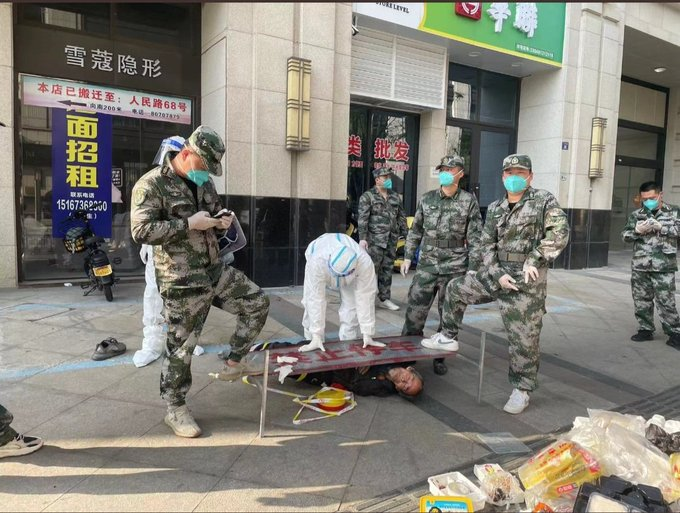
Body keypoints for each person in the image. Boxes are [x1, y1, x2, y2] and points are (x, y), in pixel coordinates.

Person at [130, 126, 270, 438]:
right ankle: (175, 407)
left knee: (257, 302)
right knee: (182, 347)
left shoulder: (203, 182)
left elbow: (213, 215)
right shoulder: (151, 185)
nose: (206, 173)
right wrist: (187, 224)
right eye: (204, 165)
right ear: (186, 153)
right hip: (181, 278)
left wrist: (221, 221)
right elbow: (140, 231)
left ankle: (234, 361)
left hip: (213, 268)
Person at [431, 154, 569, 414]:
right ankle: (448, 336)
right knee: (456, 288)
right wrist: (496, 274)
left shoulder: (543, 200)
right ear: (503, 176)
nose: (514, 178)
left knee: (524, 339)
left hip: (526, 280)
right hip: (498, 274)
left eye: (520, 173)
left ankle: (522, 389)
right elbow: (486, 244)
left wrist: (535, 258)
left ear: (530, 176)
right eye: (510, 173)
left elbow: (559, 232)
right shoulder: (496, 207)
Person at [400, 155, 483, 376]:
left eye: (449, 169)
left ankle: (439, 357)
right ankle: (408, 354)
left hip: (455, 265)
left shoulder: (468, 201)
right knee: (414, 313)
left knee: (448, 315)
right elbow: (416, 230)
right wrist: (407, 256)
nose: (445, 173)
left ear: (460, 173)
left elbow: (475, 237)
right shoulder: (427, 198)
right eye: (442, 169)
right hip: (427, 264)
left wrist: (473, 267)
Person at [299, 232, 385, 352]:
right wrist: (316, 334)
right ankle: (312, 340)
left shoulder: (364, 263)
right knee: (310, 305)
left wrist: (367, 332)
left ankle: (348, 343)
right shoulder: (317, 261)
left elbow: (366, 297)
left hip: (353, 273)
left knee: (352, 307)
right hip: (320, 265)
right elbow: (315, 299)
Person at [621, 181, 680, 350]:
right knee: (641, 299)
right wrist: (636, 231)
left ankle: (674, 332)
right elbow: (624, 235)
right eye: (645, 199)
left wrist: (662, 228)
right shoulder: (636, 214)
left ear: (660, 195)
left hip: (664, 265)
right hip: (640, 265)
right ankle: (645, 329)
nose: (648, 202)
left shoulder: (674, 211)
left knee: (666, 300)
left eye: (652, 198)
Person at [358, 168, 408, 311]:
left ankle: (384, 299)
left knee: (387, 270)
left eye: (389, 177)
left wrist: (407, 235)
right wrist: (363, 238)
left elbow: (401, 217)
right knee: (369, 271)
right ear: (377, 179)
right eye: (385, 177)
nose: (388, 180)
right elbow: (363, 219)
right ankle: (364, 300)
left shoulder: (395, 197)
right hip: (374, 241)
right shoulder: (368, 196)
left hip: (391, 240)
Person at [303, 363, 424, 398]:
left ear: (397, 388)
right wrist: (370, 358)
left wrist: (383, 374)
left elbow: (357, 385)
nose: (405, 380)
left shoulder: (381, 387)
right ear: (410, 369)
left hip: (328, 372)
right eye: (410, 378)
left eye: (405, 387)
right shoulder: (399, 356)